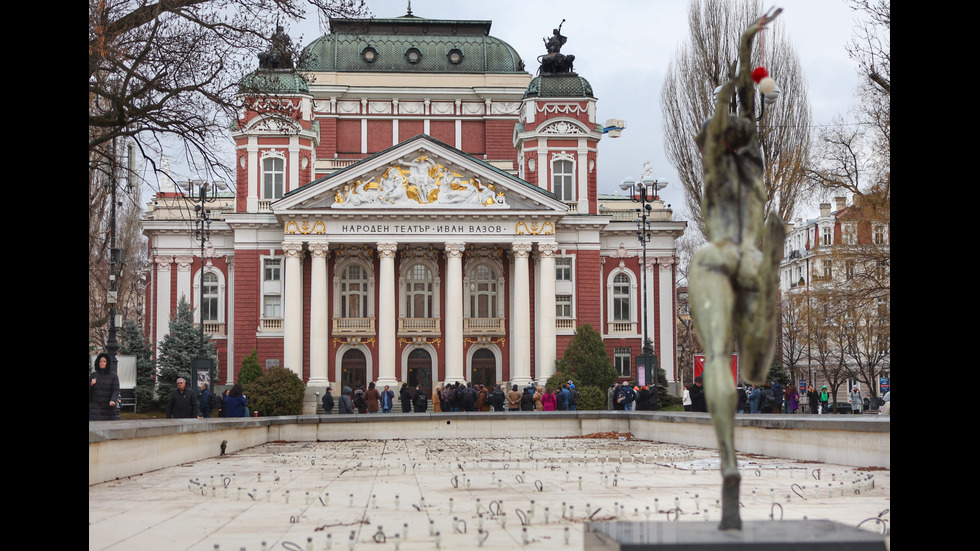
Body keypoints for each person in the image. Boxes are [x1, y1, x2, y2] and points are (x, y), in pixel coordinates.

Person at [89, 353, 121, 421]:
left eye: (104, 361)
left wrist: (113, 400)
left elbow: (115, 390)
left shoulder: (113, 376)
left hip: (107, 408)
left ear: (107, 363)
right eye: (100, 361)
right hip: (95, 408)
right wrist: (91, 384)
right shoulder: (93, 375)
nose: (102, 363)